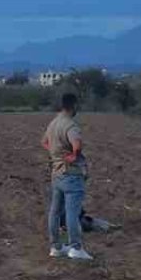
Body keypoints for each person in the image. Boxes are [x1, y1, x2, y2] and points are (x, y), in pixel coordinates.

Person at [42, 92, 92, 261]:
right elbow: (76, 145)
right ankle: (75, 248)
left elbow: (44, 142)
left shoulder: (53, 123)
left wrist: (55, 154)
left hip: (56, 174)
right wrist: (72, 155)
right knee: (72, 212)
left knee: (55, 212)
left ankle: (56, 247)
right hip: (71, 174)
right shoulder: (70, 125)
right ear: (74, 105)